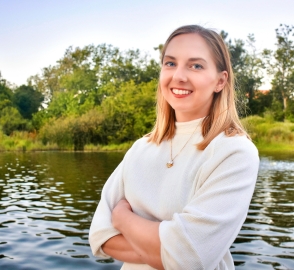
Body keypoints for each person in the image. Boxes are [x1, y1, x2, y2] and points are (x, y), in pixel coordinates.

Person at [89, 25, 259, 270]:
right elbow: (102, 237)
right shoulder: (140, 148)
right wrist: (167, 250)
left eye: (196, 65)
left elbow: (189, 259)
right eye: (170, 63)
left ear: (220, 81)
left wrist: (122, 218)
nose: (178, 76)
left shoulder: (234, 152)